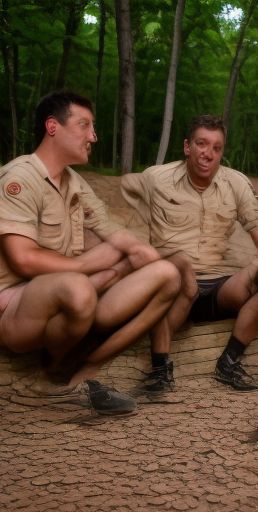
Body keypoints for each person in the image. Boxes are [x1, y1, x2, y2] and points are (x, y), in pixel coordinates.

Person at [0, 91, 181, 415]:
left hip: (72, 302)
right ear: (52, 127)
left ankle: (85, 372)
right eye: (84, 125)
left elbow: (112, 230)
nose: (93, 136)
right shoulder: (20, 178)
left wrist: (141, 254)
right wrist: (88, 266)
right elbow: (22, 258)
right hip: (15, 309)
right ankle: (53, 375)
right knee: (80, 285)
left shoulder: (75, 182)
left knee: (167, 275)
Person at [122, 115, 258, 393]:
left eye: (216, 148)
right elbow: (128, 188)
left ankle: (229, 361)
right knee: (165, 281)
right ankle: (160, 368)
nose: (208, 154)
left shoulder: (236, 182)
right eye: (202, 144)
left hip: (221, 285)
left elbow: (255, 224)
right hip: (175, 284)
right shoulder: (156, 178)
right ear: (187, 146)